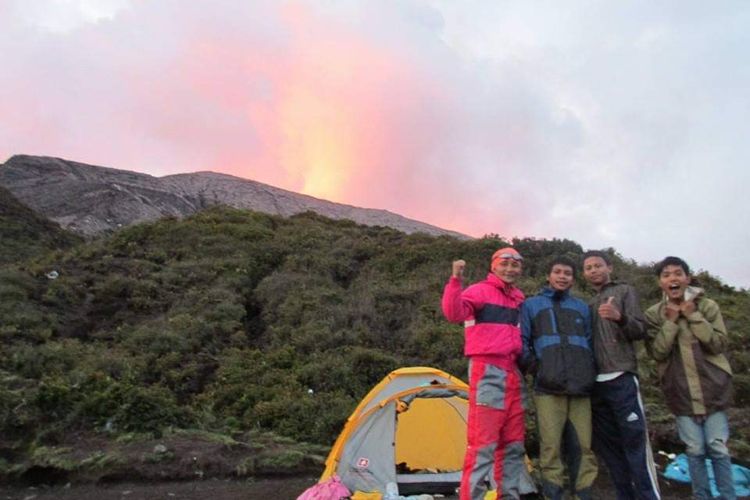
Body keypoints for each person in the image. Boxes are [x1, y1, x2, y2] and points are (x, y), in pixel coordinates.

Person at [645, 256, 736, 500]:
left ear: (687, 278)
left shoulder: (707, 306)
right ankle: (701, 496)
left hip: (713, 387)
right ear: (660, 282)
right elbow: (658, 351)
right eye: (666, 275)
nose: (672, 278)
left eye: (678, 273)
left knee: (717, 448)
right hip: (680, 390)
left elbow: (718, 344)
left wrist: (694, 315)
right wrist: (672, 321)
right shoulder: (654, 314)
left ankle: (728, 496)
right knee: (694, 450)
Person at [441, 247, 527, 500]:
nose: (510, 269)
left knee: (513, 445)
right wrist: (455, 280)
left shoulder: (519, 297)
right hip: (487, 370)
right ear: (494, 266)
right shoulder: (478, 291)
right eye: (505, 263)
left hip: (514, 372)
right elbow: (453, 313)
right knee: (483, 445)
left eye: (515, 264)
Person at [581, 250, 660, 500]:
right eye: (588, 268)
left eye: (598, 265)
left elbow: (640, 330)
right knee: (611, 451)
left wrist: (620, 317)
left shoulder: (625, 291)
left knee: (636, 445)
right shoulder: (588, 305)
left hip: (622, 377)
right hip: (596, 385)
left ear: (609, 268)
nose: (593, 270)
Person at [520, 256, 597, 500]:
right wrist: (537, 368)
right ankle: (553, 494)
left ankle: (582, 494)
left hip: (580, 387)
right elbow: (521, 341)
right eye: (557, 272)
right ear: (548, 276)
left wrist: (588, 372)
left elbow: (590, 343)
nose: (562, 276)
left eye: (567, 273)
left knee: (584, 446)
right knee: (551, 447)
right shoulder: (531, 305)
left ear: (573, 279)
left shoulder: (582, 307)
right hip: (547, 387)